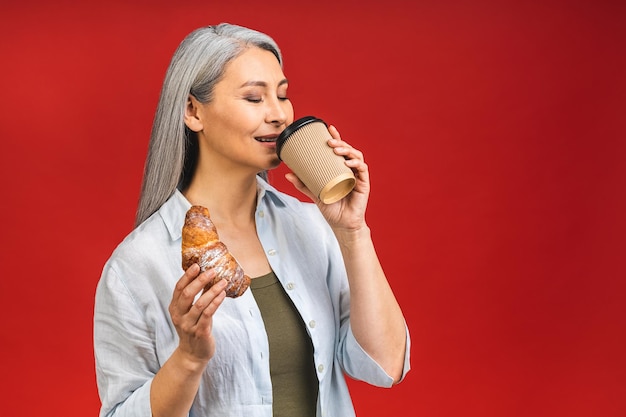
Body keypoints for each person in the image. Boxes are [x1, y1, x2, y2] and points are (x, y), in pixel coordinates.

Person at [94, 23, 410, 417]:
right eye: (254, 98)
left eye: (282, 95)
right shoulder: (138, 265)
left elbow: (386, 365)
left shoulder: (312, 227)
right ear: (193, 111)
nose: (278, 115)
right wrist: (189, 359)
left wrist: (352, 232)